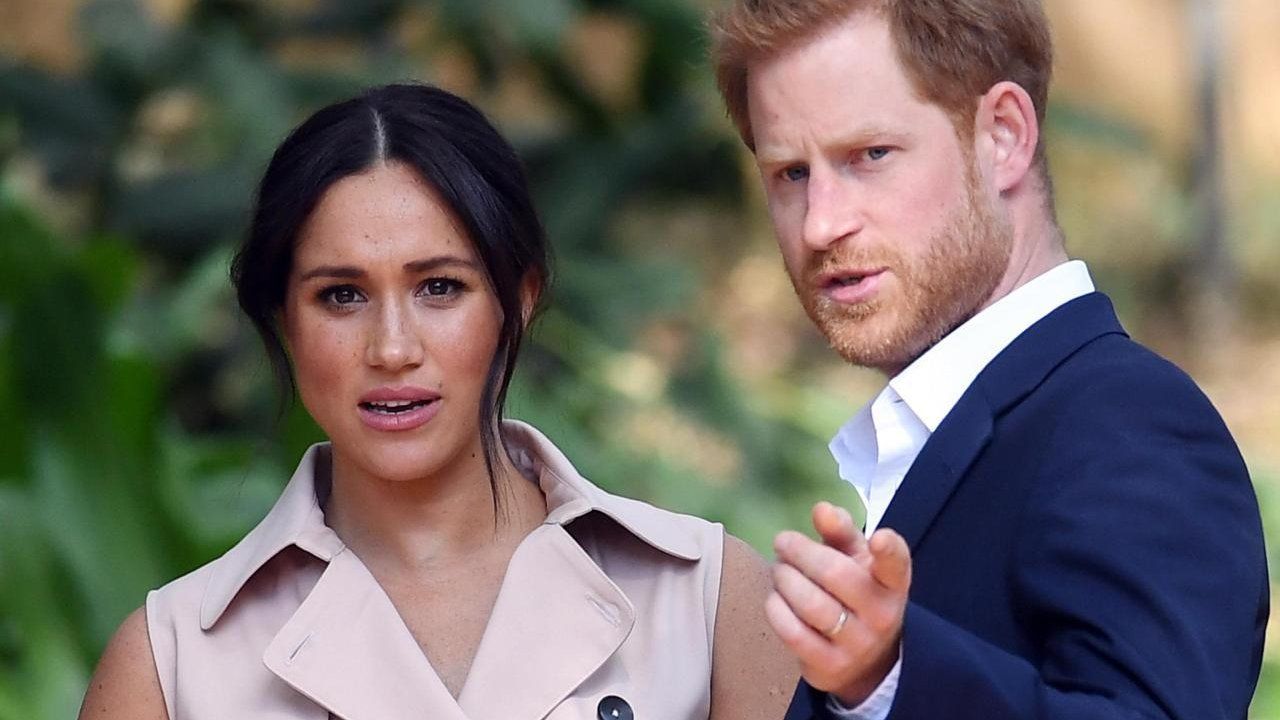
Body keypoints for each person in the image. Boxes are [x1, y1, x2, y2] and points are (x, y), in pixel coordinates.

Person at [77, 83, 797, 720]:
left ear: (518, 301)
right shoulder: (171, 665)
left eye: (440, 288)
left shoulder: (707, 600)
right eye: (342, 295)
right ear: (284, 322)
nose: (393, 348)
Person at [709, 1, 1268, 718]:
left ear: (1004, 135)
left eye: (870, 155)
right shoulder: (984, 431)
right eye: (791, 173)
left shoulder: (1130, 425)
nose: (821, 223)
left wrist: (890, 677)